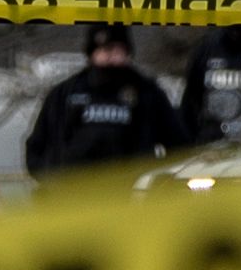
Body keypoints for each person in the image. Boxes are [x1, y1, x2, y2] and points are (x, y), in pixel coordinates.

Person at [18, 21, 202, 180]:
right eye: (104, 50)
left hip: (129, 200)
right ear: (91, 52)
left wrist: (153, 181)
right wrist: (54, 182)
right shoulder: (65, 93)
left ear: (127, 52)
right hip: (73, 199)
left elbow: (179, 147)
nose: (110, 56)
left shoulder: (147, 93)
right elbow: (36, 148)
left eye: (116, 49)